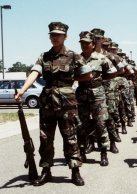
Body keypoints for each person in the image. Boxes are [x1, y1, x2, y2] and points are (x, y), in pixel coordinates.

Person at [15, 22, 92, 186]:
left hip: (67, 103)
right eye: (52, 34)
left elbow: (88, 76)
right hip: (47, 103)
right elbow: (35, 73)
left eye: (58, 34)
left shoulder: (73, 56)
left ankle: (75, 171)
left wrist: (71, 79)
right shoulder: (44, 56)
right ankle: (46, 171)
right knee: (45, 138)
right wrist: (22, 90)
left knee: (70, 137)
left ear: (65, 37)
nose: (55, 37)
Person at [76, 31, 118, 166]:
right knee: (81, 124)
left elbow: (113, 73)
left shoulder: (101, 58)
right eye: (82, 43)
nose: (84, 45)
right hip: (82, 93)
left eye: (86, 43)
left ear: (93, 44)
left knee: (100, 123)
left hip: (98, 95)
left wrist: (99, 80)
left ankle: (103, 153)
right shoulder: (77, 58)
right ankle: (82, 151)